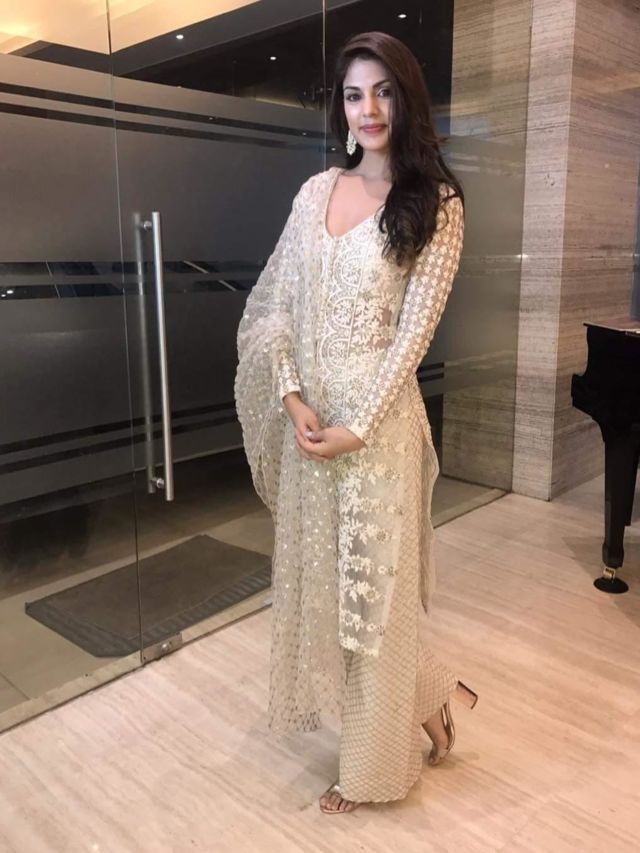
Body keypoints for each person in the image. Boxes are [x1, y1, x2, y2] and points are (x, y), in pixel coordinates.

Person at [234, 30, 477, 816]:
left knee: (370, 604)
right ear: (339, 107)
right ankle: (434, 696)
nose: (367, 109)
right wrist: (292, 396)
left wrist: (359, 427)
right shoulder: (315, 193)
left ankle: (373, 771)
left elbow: (412, 339)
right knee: (334, 593)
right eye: (352, 94)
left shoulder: (437, 205)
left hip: (375, 436)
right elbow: (272, 308)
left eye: (383, 91)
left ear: (406, 100)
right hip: (313, 431)